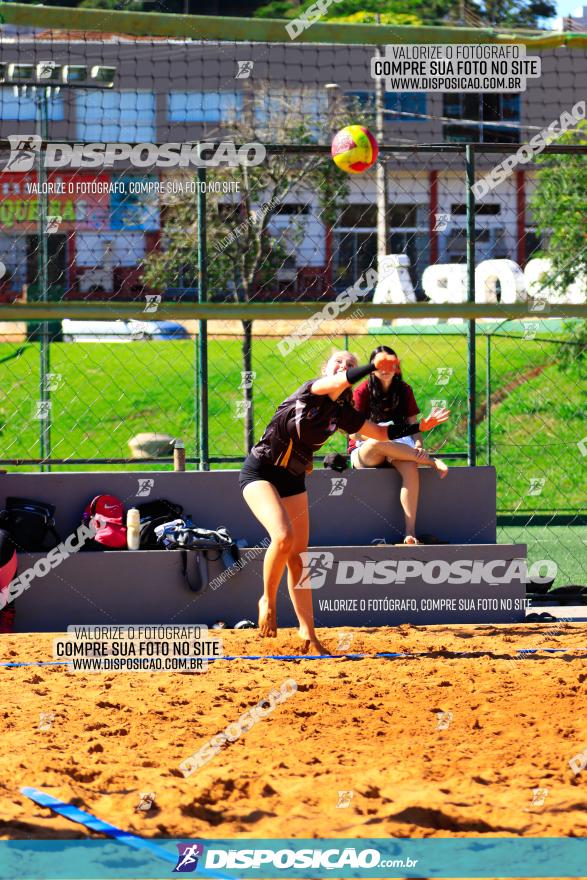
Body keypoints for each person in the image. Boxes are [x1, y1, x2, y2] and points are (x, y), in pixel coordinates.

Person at [239, 349, 450, 655]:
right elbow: (340, 380)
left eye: (349, 363)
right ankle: (267, 600)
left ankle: (308, 634)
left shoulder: (341, 412)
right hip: (261, 471)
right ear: (325, 368)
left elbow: (379, 432)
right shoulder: (311, 391)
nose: (344, 366)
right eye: (339, 361)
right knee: (283, 537)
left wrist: (420, 427)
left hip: (293, 479)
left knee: (300, 557)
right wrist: (369, 367)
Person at [348, 345, 448, 545]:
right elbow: (354, 433)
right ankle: (430, 461)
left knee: (411, 466)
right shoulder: (361, 391)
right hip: (366, 450)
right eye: (380, 364)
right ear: (372, 367)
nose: (385, 368)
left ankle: (410, 533)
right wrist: (382, 438)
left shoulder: (404, 390)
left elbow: (414, 426)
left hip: (399, 448)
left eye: (391, 364)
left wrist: (418, 445)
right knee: (378, 441)